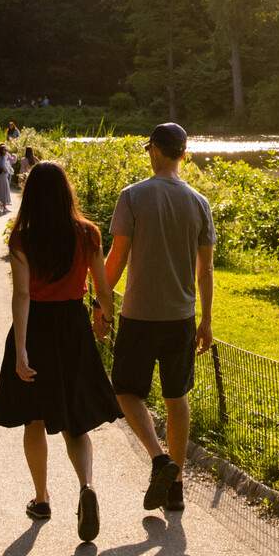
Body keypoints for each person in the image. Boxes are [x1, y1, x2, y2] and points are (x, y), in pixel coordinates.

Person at [0, 160, 121, 540]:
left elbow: (22, 295)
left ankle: (42, 497)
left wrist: (20, 351)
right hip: (73, 328)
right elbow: (103, 289)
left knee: (34, 418)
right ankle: (86, 487)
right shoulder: (88, 234)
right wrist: (102, 318)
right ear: (67, 192)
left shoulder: (22, 238)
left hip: (37, 329)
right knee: (75, 422)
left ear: (30, 195)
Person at [105, 122, 215, 514]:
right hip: (181, 316)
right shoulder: (199, 202)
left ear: (153, 150)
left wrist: (101, 304)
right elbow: (205, 270)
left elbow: (116, 259)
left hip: (138, 314)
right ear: (184, 153)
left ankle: (158, 459)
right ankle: (177, 485)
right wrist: (206, 319)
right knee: (176, 397)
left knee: (125, 392)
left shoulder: (133, 196)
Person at [0, 143, 15, 215]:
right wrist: (7, 171)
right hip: (2, 176)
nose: (6, 151)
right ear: (2, 151)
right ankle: (4, 207)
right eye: (5, 150)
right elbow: (3, 166)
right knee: (4, 190)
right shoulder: (3, 157)